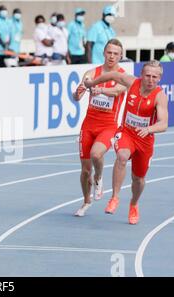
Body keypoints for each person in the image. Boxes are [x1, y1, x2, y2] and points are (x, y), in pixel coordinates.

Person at [84, 60, 168, 224]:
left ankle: (134, 204)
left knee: (139, 179)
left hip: (145, 140)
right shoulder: (132, 82)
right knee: (122, 156)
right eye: (147, 76)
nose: (150, 80)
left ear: (159, 78)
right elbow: (112, 74)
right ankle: (115, 197)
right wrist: (93, 83)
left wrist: (149, 129)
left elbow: (163, 123)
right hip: (126, 133)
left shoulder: (160, 96)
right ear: (141, 75)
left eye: (154, 77)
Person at [72, 39, 128, 217]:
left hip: (108, 126)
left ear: (120, 56)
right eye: (109, 52)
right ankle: (86, 201)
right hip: (88, 125)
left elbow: (117, 91)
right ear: (104, 53)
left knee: (96, 154)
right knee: (85, 169)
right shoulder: (91, 73)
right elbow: (77, 96)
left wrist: (101, 90)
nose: (112, 56)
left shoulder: (122, 75)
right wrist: (78, 92)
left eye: (115, 54)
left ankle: (99, 177)